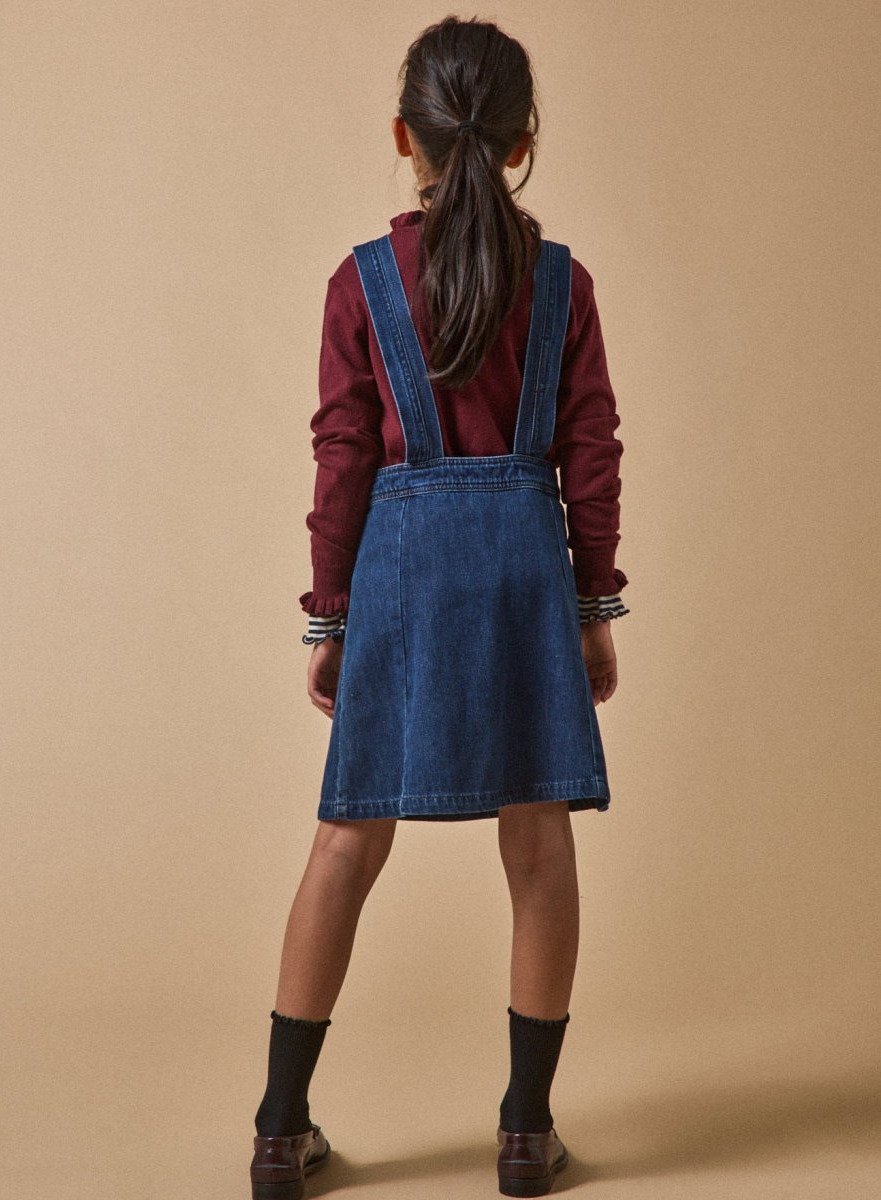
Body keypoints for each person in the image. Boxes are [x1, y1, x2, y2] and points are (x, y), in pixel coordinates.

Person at [250, 16, 630, 1199]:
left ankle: (278, 1130)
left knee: (346, 837)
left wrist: (331, 617)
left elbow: (343, 456)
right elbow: (588, 452)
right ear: (520, 143)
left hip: (402, 577)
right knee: (539, 840)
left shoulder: (359, 284)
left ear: (401, 136)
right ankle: (522, 1131)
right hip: (521, 576)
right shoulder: (560, 283)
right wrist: (591, 602)